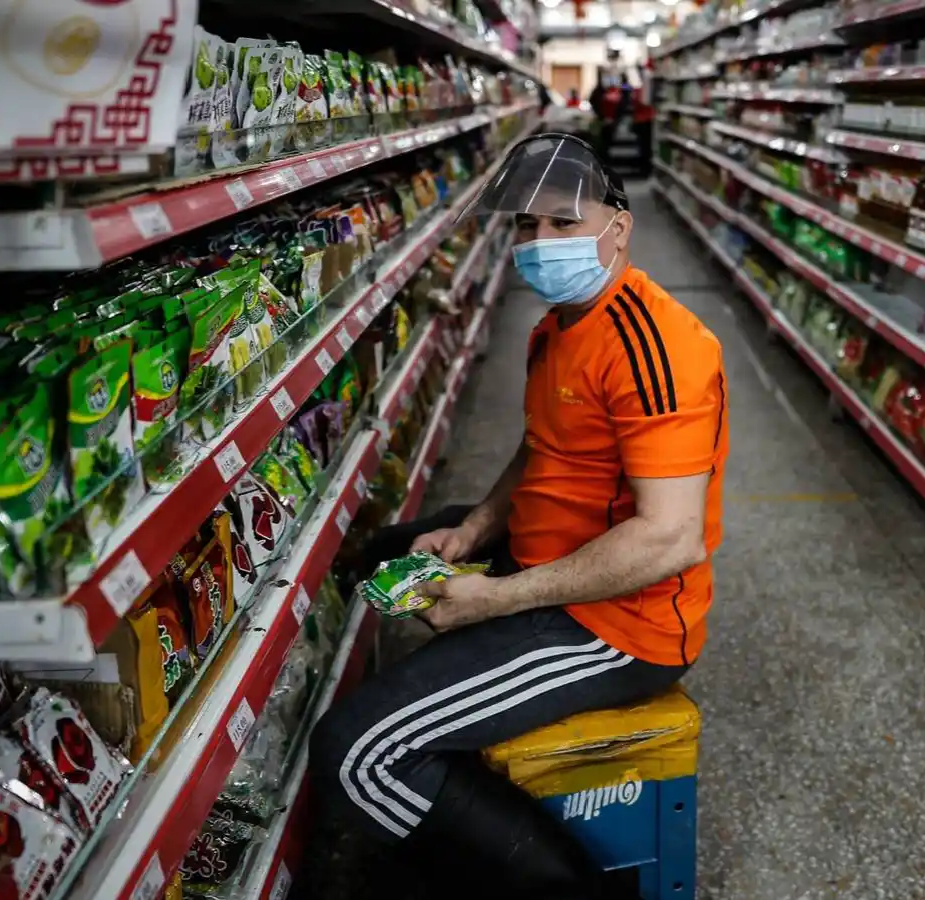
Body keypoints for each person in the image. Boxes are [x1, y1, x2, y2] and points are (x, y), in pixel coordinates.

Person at [308, 134, 729, 899]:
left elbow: (670, 539)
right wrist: (472, 531)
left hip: (616, 625)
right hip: (554, 562)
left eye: (563, 222)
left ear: (619, 229)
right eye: (525, 226)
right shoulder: (559, 325)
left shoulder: (656, 345)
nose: (539, 243)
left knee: (356, 754)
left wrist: (495, 599)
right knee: (389, 550)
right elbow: (542, 447)